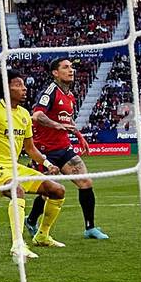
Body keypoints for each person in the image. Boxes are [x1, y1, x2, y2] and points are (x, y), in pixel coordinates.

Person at [0, 69, 67, 260]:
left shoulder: (24, 114)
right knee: (18, 190)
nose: (24, 88)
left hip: (15, 167)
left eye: (23, 85)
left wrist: (47, 164)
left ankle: (42, 235)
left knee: (57, 190)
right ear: (7, 88)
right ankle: (17, 244)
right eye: (18, 85)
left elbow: (30, 148)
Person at [25, 58, 109, 240]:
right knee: (49, 192)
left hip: (64, 148)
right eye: (66, 67)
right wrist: (55, 125)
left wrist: (80, 137)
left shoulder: (69, 95)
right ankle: (31, 220)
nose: (71, 70)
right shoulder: (50, 92)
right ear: (55, 72)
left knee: (85, 183)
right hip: (45, 150)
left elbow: (68, 121)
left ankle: (90, 228)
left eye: (72, 67)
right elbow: (37, 115)